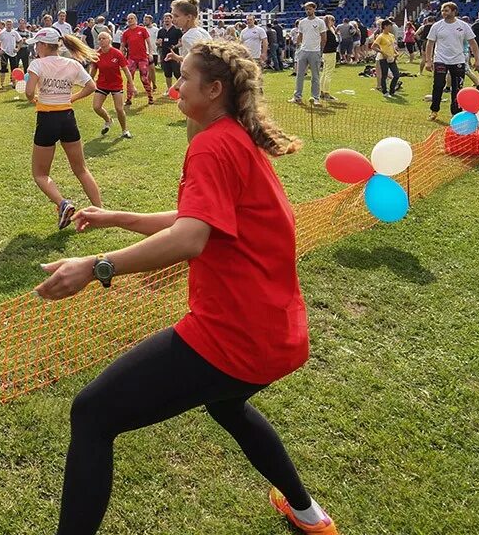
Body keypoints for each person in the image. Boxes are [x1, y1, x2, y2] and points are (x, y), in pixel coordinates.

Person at [33, 38, 337, 535]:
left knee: (91, 414)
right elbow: (203, 219)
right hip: (277, 333)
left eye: (185, 79)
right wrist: (118, 217)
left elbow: (191, 237)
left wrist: (95, 267)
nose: (174, 85)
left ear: (214, 89)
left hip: (234, 336)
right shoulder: (233, 136)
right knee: (226, 405)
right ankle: (308, 514)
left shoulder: (213, 145)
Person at [24, 28, 102, 230]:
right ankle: (101, 212)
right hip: (68, 118)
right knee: (81, 169)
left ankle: (62, 203)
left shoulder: (37, 64)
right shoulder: (72, 63)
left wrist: (33, 97)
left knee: (40, 174)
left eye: (37, 45)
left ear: (43, 45)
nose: (36, 48)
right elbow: (91, 86)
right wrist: (71, 98)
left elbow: (29, 91)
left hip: (47, 119)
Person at [424, 2, 477, 120]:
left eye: (446, 10)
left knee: (457, 88)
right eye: (442, 10)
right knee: (438, 85)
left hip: (458, 60)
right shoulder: (437, 26)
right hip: (440, 60)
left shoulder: (463, 26)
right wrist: (428, 60)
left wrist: (477, 60)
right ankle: (434, 110)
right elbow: (430, 43)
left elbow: (473, 42)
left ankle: (456, 112)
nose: (444, 13)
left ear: (454, 12)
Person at [90, 31, 132, 139]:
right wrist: (89, 81)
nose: (101, 40)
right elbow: (93, 70)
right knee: (96, 107)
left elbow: (126, 71)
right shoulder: (97, 54)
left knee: (119, 109)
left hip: (116, 85)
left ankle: (124, 130)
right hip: (102, 84)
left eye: (104, 38)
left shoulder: (117, 53)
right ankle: (108, 120)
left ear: (110, 40)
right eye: (99, 39)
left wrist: (131, 85)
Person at [290, 3, 327, 106]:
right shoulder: (302, 22)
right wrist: (298, 47)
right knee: (299, 75)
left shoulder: (320, 22)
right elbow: (300, 36)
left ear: (314, 9)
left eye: (309, 9)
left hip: (315, 51)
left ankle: (315, 98)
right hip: (303, 51)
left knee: (315, 76)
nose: (308, 11)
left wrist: (320, 50)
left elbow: (324, 37)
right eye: (306, 9)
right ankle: (297, 96)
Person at [120, 13, 153, 106]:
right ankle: (128, 99)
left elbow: (149, 43)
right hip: (131, 58)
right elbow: (122, 46)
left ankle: (150, 97)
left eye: (131, 18)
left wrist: (150, 53)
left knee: (144, 78)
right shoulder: (126, 33)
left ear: (135, 19)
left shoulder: (142, 30)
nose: (130, 20)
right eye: (128, 19)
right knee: (130, 78)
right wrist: (120, 55)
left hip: (142, 58)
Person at [373, 19, 401, 98]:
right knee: (384, 75)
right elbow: (373, 46)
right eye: (390, 26)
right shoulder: (381, 36)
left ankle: (392, 90)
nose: (391, 27)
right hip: (383, 58)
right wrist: (382, 52)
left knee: (396, 75)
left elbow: (393, 46)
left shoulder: (391, 35)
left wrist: (396, 53)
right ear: (385, 26)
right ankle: (385, 91)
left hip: (392, 58)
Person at [156, 13, 182, 91]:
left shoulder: (177, 30)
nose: (166, 20)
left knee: (177, 72)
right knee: (167, 73)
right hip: (164, 54)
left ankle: (180, 89)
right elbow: (157, 42)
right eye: (165, 18)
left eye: (168, 18)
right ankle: (169, 89)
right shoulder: (161, 31)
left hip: (174, 54)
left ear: (171, 19)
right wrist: (158, 43)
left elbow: (181, 42)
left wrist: (175, 46)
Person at [319, 15, 340, 101]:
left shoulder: (326, 31)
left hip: (326, 53)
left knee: (324, 72)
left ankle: (322, 92)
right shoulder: (328, 32)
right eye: (332, 20)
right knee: (328, 73)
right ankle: (326, 93)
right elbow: (333, 43)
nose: (333, 22)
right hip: (330, 52)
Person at [0, 20, 20, 90]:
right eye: (7, 24)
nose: (9, 26)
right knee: (3, 69)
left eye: (10, 24)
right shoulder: (2, 33)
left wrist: (17, 49)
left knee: (14, 69)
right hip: (4, 53)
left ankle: (14, 84)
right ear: (5, 25)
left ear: (12, 25)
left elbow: (20, 41)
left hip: (13, 53)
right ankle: (1, 84)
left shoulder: (15, 32)